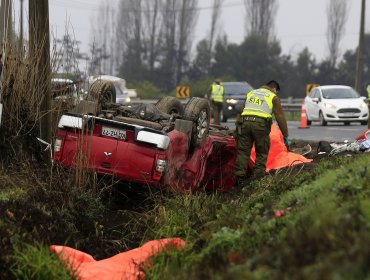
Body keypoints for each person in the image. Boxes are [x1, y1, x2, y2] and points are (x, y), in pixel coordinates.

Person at [233, 80, 289, 188]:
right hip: (260, 125)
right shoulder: (273, 96)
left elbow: (241, 112)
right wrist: (285, 134)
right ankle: (256, 180)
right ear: (274, 89)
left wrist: (237, 130)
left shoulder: (251, 93)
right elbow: (280, 117)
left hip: (244, 123)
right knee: (261, 152)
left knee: (243, 152)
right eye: (276, 91)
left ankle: (239, 179)